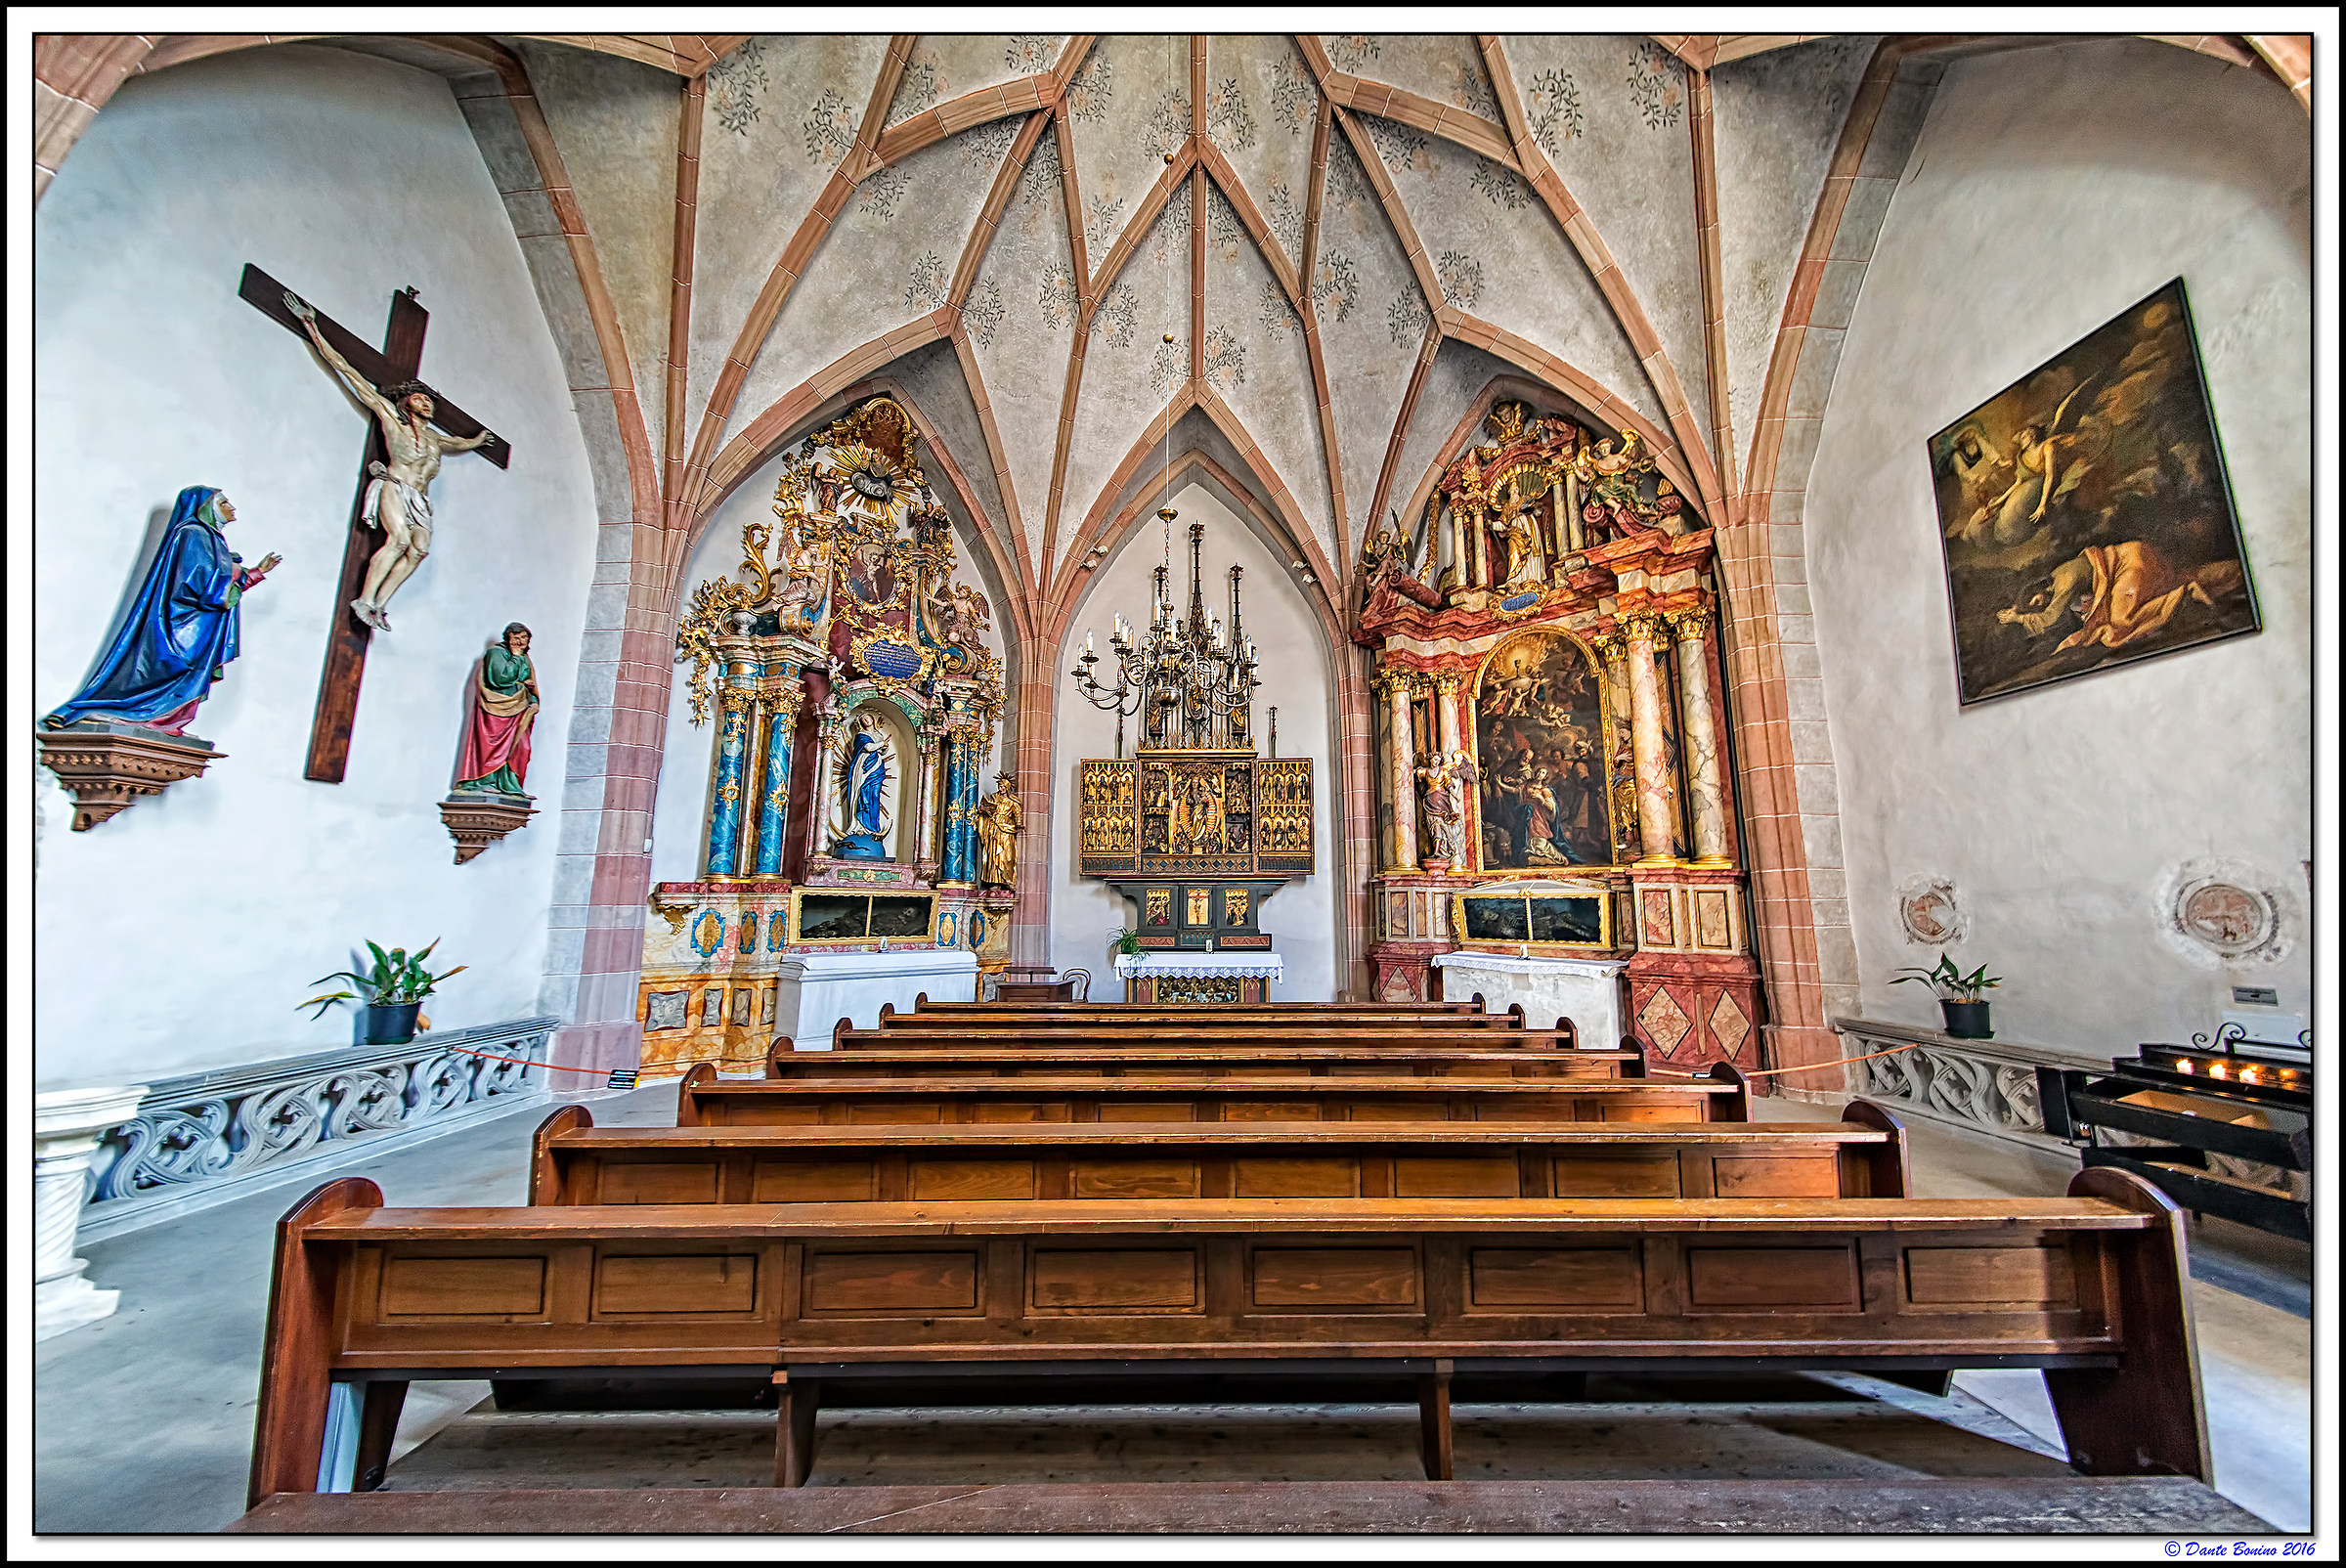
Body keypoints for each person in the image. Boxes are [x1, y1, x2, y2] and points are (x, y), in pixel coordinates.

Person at [286, 291, 500, 632]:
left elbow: (461, 442)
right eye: (419, 398)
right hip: (395, 486)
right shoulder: (392, 420)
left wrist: (478, 440)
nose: (426, 404)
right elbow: (349, 372)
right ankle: (364, 599)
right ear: (405, 403)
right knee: (398, 540)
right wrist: (311, 325)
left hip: (420, 499)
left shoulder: (436, 440)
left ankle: (380, 604)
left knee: (418, 550)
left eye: (430, 402)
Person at [45, 486, 280, 734]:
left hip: (202, 623)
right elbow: (199, 584)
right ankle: (138, 714)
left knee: (188, 676)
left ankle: (162, 720)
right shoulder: (193, 534)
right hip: (184, 623)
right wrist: (236, 572)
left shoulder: (211, 538)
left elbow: (215, 584)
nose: (231, 507)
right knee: (168, 670)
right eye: (224, 502)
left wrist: (255, 573)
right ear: (205, 508)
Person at [453, 623, 541, 796]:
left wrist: (534, 700)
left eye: (523, 638)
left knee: (521, 748)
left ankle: (510, 784)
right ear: (507, 637)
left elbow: (531, 684)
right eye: (516, 638)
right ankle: (486, 780)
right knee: (491, 745)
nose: (520, 642)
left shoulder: (525, 658)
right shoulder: (496, 653)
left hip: (520, 710)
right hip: (496, 708)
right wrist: (515, 657)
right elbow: (501, 678)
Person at [976, 772, 1025, 889]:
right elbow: (986, 810)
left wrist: (1018, 824)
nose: (1001, 789)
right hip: (994, 829)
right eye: (999, 786)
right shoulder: (994, 798)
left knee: (1007, 855)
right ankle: (996, 881)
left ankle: (1007, 880)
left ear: (1007, 788)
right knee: (994, 855)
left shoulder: (1013, 801)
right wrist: (983, 809)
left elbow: (1018, 814)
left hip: (1006, 829)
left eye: (1003, 786)